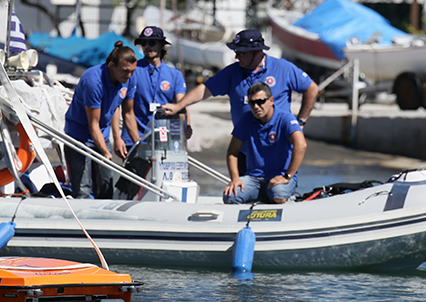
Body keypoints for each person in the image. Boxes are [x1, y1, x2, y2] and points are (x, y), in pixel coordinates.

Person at [162, 28, 317, 172]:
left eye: (241, 52)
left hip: (277, 149)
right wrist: (179, 106)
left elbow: (312, 88)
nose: (236, 56)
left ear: (256, 52)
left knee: (276, 194)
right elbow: (205, 89)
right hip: (245, 150)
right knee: (240, 196)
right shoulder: (232, 72)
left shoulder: (283, 68)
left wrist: (300, 122)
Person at [63, 41, 140, 199]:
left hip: (103, 135)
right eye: (126, 71)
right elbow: (93, 125)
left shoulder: (128, 78)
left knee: (106, 187)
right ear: (112, 65)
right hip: (79, 137)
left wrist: (127, 141)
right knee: (83, 189)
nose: (130, 75)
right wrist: (105, 152)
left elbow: (124, 111)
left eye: (133, 71)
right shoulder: (93, 82)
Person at [223, 82, 306, 204]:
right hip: (254, 178)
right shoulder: (246, 119)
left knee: (278, 195)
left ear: (271, 100)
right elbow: (232, 152)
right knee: (230, 197)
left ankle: (279, 198)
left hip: (280, 177)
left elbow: (301, 145)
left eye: (260, 101)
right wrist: (235, 179)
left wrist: (288, 176)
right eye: (252, 103)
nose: (256, 106)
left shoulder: (286, 118)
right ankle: (260, 197)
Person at [121, 26, 191, 147]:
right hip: (134, 138)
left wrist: (186, 130)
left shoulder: (174, 75)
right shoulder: (132, 71)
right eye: (144, 43)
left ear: (161, 45)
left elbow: (182, 105)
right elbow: (118, 103)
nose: (147, 46)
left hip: (164, 139)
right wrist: (118, 138)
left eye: (152, 42)